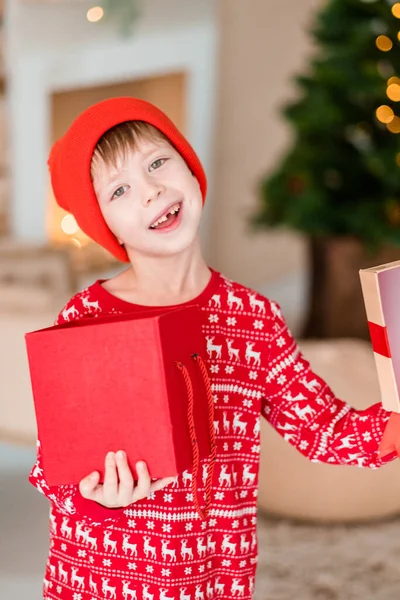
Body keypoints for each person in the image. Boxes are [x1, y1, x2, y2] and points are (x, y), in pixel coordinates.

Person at [29, 97, 396, 600]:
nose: (152, 190)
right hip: (101, 578)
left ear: (189, 166)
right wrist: (96, 500)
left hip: (215, 580)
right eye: (120, 190)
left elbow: (325, 431)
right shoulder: (87, 319)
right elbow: (56, 468)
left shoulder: (253, 318)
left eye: (158, 162)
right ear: (104, 225)